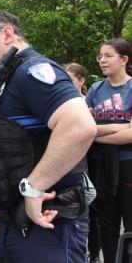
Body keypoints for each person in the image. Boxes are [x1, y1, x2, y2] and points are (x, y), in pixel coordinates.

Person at [0, 10, 97, 262]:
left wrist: (33, 188)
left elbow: (79, 125)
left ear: (7, 34)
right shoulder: (6, 80)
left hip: (48, 228)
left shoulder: (32, 71)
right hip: (16, 225)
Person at [86, 38, 132, 263]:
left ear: (124, 59)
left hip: (128, 164)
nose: (102, 60)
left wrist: (98, 133)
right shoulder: (95, 89)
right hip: (100, 166)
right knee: (107, 224)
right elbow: (84, 128)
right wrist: (121, 126)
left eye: (108, 56)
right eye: (100, 56)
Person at [65, 62, 101, 262]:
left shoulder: (86, 102)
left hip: (91, 161)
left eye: (70, 79)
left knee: (91, 211)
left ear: (81, 80)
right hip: (74, 162)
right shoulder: (60, 102)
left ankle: (94, 254)